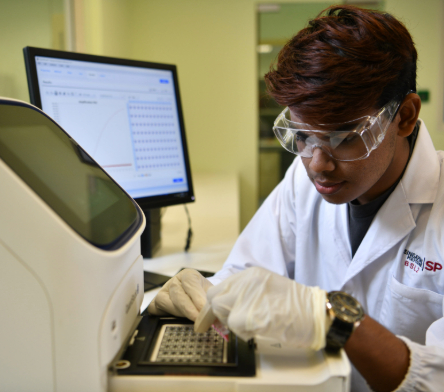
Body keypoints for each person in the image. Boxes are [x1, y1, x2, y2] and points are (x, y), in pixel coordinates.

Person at [148, 5, 444, 391]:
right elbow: (244, 282)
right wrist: (204, 292)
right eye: (302, 136)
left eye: (343, 137)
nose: (317, 164)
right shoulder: (302, 182)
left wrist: (337, 321)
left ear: (404, 116)